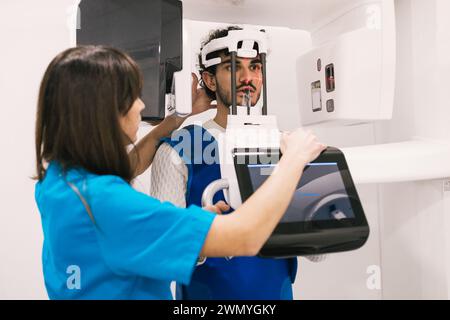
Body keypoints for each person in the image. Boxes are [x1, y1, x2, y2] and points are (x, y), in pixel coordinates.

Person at [34, 45, 326, 299]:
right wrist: (292, 162)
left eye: (255, 66)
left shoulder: (58, 181)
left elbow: (319, 249)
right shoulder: (115, 199)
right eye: (132, 95)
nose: (142, 105)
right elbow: (245, 237)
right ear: (101, 111)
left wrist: (174, 120)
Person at [150, 26, 321, 300]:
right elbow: (164, 252)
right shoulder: (179, 149)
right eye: (233, 67)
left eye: (255, 66)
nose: (247, 78)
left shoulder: (288, 147)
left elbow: (319, 254)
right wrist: (203, 241)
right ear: (210, 79)